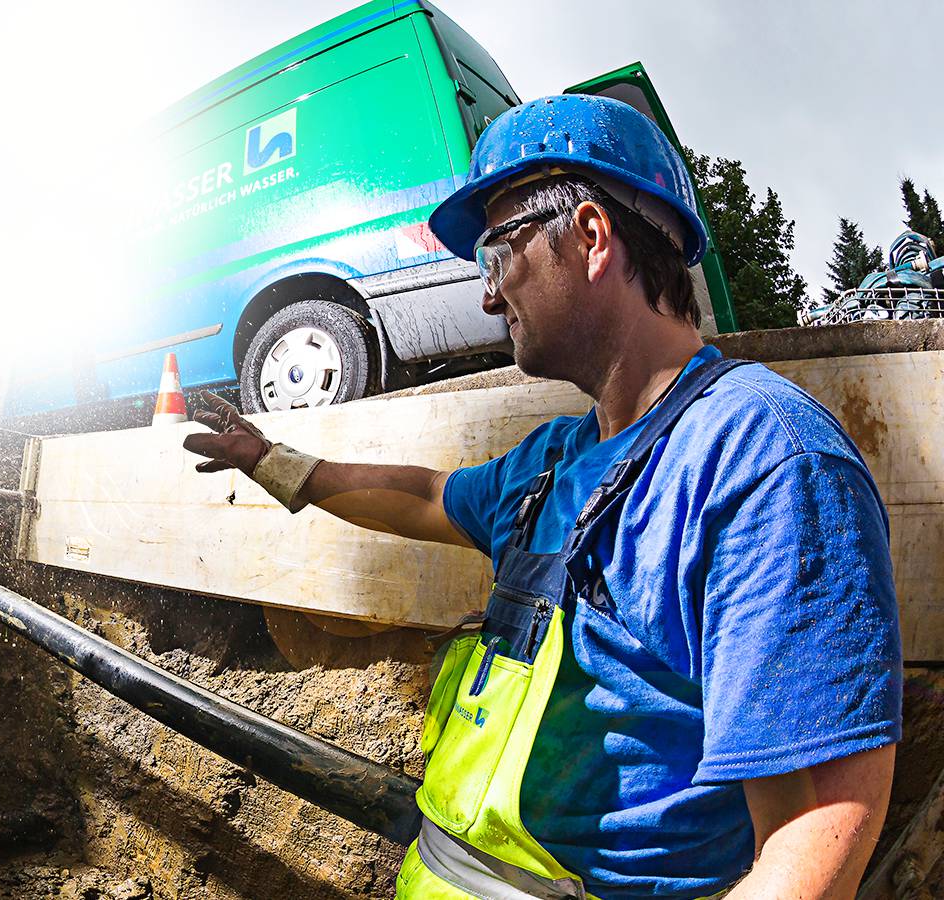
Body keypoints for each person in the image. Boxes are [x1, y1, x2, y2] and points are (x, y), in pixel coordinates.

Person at [184, 94, 902, 899]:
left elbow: (818, 834)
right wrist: (274, 462)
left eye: (498, 256)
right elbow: (422, 497)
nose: (490, 297)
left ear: (591, 238)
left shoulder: (762, 461)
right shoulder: (559, 459)